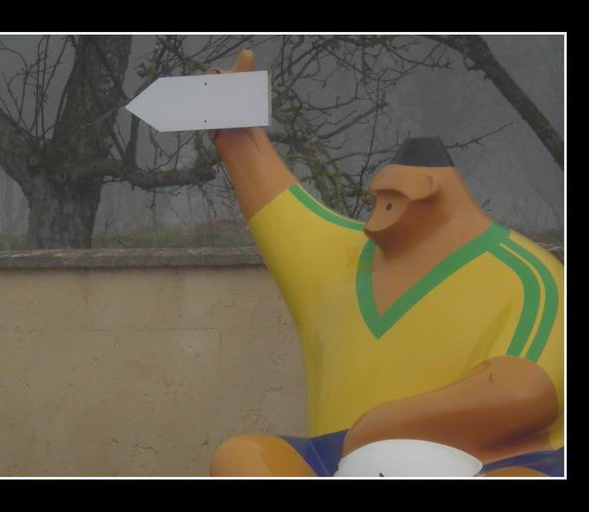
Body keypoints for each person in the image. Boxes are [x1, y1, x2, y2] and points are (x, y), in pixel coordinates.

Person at [207, 50, 564, 477]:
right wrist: (234, 130)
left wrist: (379, 426)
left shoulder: (524, 273)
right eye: (379, 198)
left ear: (431, 194)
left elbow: (527, 393)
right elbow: (279, 209)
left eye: (394, 201)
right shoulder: (342, 260)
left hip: (489, 459)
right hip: (334, 457)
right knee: (244, 457)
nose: (379, 214)